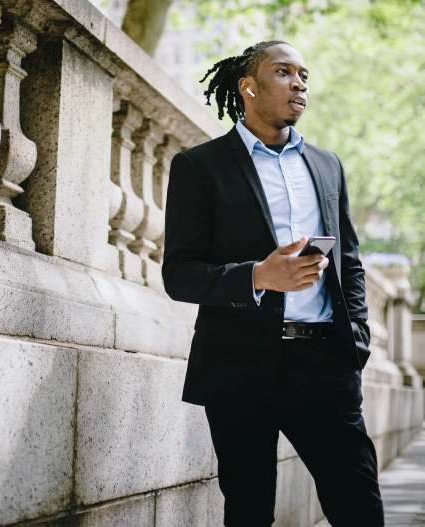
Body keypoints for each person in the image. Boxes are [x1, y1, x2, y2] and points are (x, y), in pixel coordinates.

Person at [162, 40, 384, 527]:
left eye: (304, 74)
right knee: (248, 509)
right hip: (238, 366)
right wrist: (260, 276)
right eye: (284, 72)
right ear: (249, 87)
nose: (299, 83)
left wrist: (357, 342)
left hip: (326, 364)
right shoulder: (200, 167)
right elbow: (178, 274)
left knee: (358, 501)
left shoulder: (327, 166)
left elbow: (349, 261)